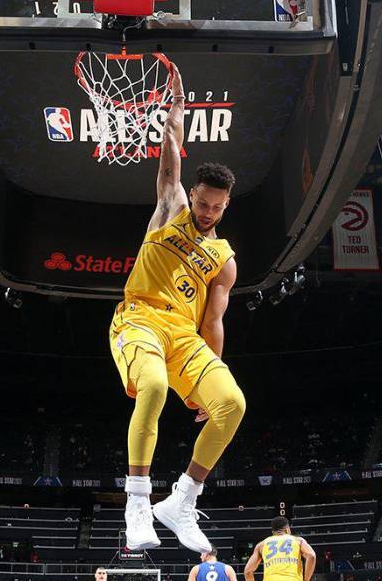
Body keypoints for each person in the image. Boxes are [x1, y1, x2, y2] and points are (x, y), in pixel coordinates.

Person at [110, 63, 244, 553]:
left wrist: (206, 382)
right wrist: (179, 104)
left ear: (226, 205)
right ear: (193, 195)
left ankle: (182, 500)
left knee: (231, 405)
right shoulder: (172, 207)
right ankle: (138, 501)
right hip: (139, 318)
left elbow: (213, 321)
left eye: (217, 207)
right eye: (203, 203)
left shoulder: (224, 260)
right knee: (153, 386)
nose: (207, 212)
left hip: (185, 337)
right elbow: (169, 143)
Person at [243, 516, 316, 581]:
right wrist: (306, 579)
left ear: (273, 532)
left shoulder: (261, 545)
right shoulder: (298, 540)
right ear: (287, 529)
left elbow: (248, 571)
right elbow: (311, 556)